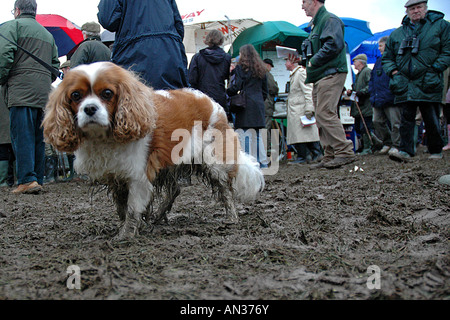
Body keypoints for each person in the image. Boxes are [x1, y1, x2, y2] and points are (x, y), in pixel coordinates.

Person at [0, 0, 60, 194]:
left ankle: (26, 179)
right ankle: (37, 178)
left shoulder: (11, 26)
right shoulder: (47, 34)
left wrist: (2, 78)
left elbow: (4, 55)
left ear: (17, 10)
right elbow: (55, 66)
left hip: (20, 90)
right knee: (38, 138)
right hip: (43, 94)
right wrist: (42, 81)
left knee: (22, 136)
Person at [382, 0, 450, 162]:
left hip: (429, 79)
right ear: (407, 12)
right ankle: (405, 151)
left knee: (431, 117)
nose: (416, 11)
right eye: (412, 8)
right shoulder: (397, 33)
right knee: (406, 118)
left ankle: (435, 150)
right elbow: (387, 58)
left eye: (419, 7)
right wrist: (394, 72)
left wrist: (435, 68)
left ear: (426, 8)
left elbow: (447, 51)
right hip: (405, 81)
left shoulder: (441, 26)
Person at [298, 0, 355, 169]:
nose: (302, 6)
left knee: (325, 112)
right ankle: (330, 154)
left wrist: (313, 61)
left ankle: (344, 152)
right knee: (322, 114)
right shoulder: (318, 24)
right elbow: (323, 48)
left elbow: (333, 44)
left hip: (330, 72)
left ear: (315, 2)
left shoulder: (329, 20)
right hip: (322, 74)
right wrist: (303, 60)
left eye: (304, 2)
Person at [97, 0, 189, 90]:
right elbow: (179, 26)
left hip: (134, 54)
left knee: (135, 99)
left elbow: (108, 20)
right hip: (170, 53)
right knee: (170, 100)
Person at [227, 44, 269, 168]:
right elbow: (265, 90)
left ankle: (249, 164)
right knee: (256, 135)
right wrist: (259, 100)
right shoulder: (261, 69)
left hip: (245, 105)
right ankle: (261, 164)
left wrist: (227, 92)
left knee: (245, 135)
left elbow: (236, 87)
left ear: (243, 55)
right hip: (258, 104)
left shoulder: (240, 68)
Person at [369, 36, 402, 156]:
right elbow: (372, 79)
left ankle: (397, 145)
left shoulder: (396, 59)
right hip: (378, 98)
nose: (379, 48)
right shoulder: (378, 61)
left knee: (395, 123)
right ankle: (387, 142)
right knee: (377, 121)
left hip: (391, 97)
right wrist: (372, 94)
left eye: (380, 45)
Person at [285, 57, 322, 164]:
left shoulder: (300, 73)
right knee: (303, 133)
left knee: (304, 133)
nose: (285, 63)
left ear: (292, 62)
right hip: (297, 108)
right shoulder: (295, 74)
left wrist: (309, 108)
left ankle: (306, 155)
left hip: (300, 109)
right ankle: (312, 154)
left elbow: (308, 90)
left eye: (286, 61)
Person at [188, 29, 231, 112]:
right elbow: (226, 75)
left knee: (199, 122)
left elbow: (191, 79)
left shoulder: (197, 57)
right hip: (219, 96)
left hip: (201, 97)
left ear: (207, 39)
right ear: (221, 40)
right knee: (218, 123)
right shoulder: (226, 57)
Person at [347, 54, 374, 155]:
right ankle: (363, 146)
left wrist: (361, 92)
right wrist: (352, 91)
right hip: (359, 107)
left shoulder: (367, 71)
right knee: (359, 128)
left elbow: (370, 86)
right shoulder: (358, 74)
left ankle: (368, 147)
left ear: (361, 62)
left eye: (355, 61)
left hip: (365, 105)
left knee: (365, 127)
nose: (354, 63)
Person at [263, 58, 279, 156]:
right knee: (266, 127)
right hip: (267, 104)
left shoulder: (256, 72)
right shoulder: (267, 74)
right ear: (267, 65)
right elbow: (273, 88)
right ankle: (267, 150)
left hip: (261, 105)